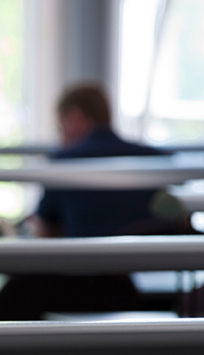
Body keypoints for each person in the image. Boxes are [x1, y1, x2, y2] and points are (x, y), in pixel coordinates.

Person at [25, 82, 170, 238]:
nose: (61, 138)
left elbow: (45, 232)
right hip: (154, 260)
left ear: (75, 117)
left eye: (61, 127)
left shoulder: (62, 163)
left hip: (89, 260)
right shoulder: (156, 158)